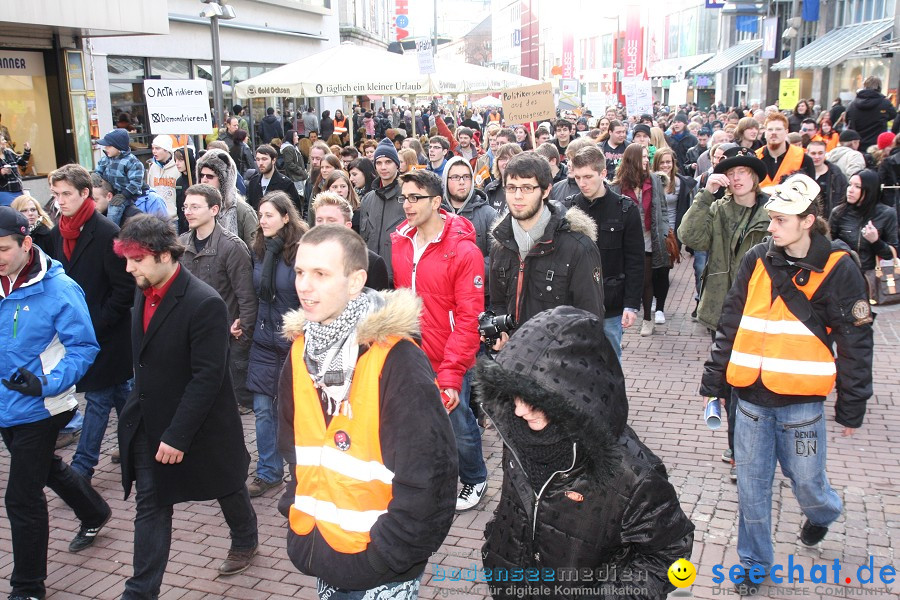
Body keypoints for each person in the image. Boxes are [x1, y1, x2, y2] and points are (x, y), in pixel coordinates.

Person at [700, 174, 873, 596]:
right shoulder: (757, 258)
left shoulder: (839, 267)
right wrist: (714, 382)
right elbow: (731, 321)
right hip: (751, 400)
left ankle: (824, 513)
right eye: (771, 219)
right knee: (752, 489)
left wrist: (852, 405)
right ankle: (755, 565)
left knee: (809, 484)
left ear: (808, 221)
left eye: (779, 220)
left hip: (801, 404)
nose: (771, 227)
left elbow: (856, 341)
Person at [276, 224, 457, 600]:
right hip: (323, 547)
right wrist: (295, 508)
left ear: (356, 281)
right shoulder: (300, 351)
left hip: (380, 565)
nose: (304, 286)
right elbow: (294, 451)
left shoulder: (397, 359)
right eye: (299, 272)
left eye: (321, 274)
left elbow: (431, 477)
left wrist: (387, 551)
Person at [476, 305, 695, 599]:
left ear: (574, 395)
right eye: (516, 393)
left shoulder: (632, 474)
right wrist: (496, 543)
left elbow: (670, 554)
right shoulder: (517, 433)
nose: (519, 409)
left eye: (533, 399)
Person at [114, 214, 259, 597]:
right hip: (150, 418)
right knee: (152, 503)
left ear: (164, 255)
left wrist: (178, 435)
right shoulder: (142, 288)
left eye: (137, 259)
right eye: (126, 260)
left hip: (201, 423)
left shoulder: (204, 303)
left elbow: (208, 377)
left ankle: (245, 537)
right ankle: (140, 591)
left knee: (227, 484)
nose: (130, 269)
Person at [0, 206, 113, 600]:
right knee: (44, 468)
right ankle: (95, 512)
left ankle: (28, 587)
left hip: (45, 406)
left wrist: (46, 383)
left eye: (2, 249)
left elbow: (84, 348)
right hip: (6, 405)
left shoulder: (60, 289)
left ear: (26, 243)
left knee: (21, 495)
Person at [392, 169, 488, 511]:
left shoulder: (464, 251)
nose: (407, 204)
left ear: (436, 202)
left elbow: (468, 318)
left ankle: (475, 479)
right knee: (421, 424)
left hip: (451, 356)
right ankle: (435, 478)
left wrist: (451, 372)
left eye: (415, 197)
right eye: (404, 197)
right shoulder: (400, 241)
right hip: (414, 354)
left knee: (459, 424)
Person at [678, 147, 771, 482]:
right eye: (730, 172)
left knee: (762, 386)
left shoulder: (773, 211)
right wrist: (704, 194)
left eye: (743, 172)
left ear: (755, 177)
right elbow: (689, 237)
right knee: (731, 385)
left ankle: (762, 448)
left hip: (764, 312)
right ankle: (737, 450)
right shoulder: (718, 208)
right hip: (724, 310)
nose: (736, 177)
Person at [46, 164, 136, 482]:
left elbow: (124, 290)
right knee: (123, 396)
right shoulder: (57, 232)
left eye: (66, 194)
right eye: (56, 195)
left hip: (107, 334)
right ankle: (142, 443)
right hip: (77, 332)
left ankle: (82, 467)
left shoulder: (108, 233)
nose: (60, 201)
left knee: (98, 397)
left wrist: (96, 322)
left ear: (85, 193)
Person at [488, 152, 604, 350]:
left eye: (527, 188)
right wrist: (500, 332)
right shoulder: (501, 244)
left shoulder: (578, 247)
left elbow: (590, 321)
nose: (517, 196)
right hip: (511, 363)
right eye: (511, 188)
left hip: (557, 369)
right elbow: (498, 303)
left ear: (546, 190)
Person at [245, 191, 307, 497]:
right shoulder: (257, 248)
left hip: (292, 341)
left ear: (286, 216)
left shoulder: (301, 251)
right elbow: (250, 293)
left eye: (269, 214)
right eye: (260, 214)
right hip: (262, 340)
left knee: (291, 411)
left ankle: (299, 475)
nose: (263, 220)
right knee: (261, 409)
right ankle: (268, 471)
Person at [178, 184, 258, 416]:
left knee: (235, 405)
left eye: (195, 206)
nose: (188, 212)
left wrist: (243, 333)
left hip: (227, 337)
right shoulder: (181, 244)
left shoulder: (232, 246)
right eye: (186, 207)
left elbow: (247, 296)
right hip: (194, 335)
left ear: (214, 209)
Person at [568, 146, 643, 360]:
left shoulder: (625, 210)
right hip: (576, 301)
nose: (583, 183)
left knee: (610, 361)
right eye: (578, 177)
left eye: (588, 177)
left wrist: (631, 304)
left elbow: (635, 261)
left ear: (603, 174)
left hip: (611, 303)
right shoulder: (569, 208)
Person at [609, 144, 670, 337]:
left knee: (646, 278)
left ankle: (647, 319)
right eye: (643, 157)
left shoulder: (654, 180)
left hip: (649, 236)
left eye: (647, 157)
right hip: (625, 238)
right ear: (632, 159)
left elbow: (663, 208)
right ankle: (623, 315)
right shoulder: (617, 185)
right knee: (624, 277)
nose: (646, 160)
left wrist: (665, 231)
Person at [652, 147, 697, 322]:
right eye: (662, 162)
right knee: (650, 270)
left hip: (671, 233)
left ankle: (660, 306)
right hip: (652, 231)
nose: (665, 165)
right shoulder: (651, 181)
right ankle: (652, 298)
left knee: (664, 270)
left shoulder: (680, 183)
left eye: (668, 162)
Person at [312, 192, 390, 290]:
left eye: (331, 220)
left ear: (347, 226)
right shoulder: (308, 258)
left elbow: (380, 303)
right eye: (319, 220)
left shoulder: (371, 263)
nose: (324, 225)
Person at [829, 169, 899, 275]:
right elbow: (829, 245)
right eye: (850, 184)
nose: (850, 190)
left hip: (874, 276)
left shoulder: (887, 214)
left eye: (857, 186)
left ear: (870, 190)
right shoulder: (839, 213)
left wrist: (876, 241)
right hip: (844, 275)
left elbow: (892, 254)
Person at [440, 156, 497, 276]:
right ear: (446, 180)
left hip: (478, 287)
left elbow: (496, 256)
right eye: (455, 177)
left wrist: (470, 271)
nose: (462, 182)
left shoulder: (488, 214)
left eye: (466, 177)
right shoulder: (436, 213)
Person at [359, 138, 404, 285]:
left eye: (388, 162)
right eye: (379, 163)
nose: (383, 167)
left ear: (397, 165)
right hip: (371, 275)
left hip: (398, 276)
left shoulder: (408, 197)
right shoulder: (368, 199)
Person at [195, 148, 259, 247]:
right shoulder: (196, 208)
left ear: (224, 179)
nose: (204, 180)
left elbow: (255, 250)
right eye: (201, 175)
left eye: (210, 176)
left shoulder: (243, 211)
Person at [95, 129, 145, 226]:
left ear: (119, 147)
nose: (105, 148)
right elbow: (99, 171)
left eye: (108, 146)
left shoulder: (132, 162)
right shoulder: (105, 159)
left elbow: (136, 183)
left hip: (124, 195)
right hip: (108, 192)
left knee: (114, 211)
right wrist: (95, 176)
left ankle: (111, 231)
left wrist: (124, 195)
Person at [246, 144, 302, 212]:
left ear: (273, 160)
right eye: (258, 159)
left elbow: (296, 211)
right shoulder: (253, 182)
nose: (260, 163)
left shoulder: (286, 184)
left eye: (264, 159)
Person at [846, 76, 897, 149]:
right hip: (877, 146)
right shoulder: (885, 103)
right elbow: (893, 115)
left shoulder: (852, 104)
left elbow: (847, 120)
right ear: (879, 88)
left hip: (857, 146)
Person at [549, 137, 601, 205]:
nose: (569, 164)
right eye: (568, 159)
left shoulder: (603, 189)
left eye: (574, 160)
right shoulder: (556, 188)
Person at [807, 139, 848, 217]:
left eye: (820, 153)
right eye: (813, 153)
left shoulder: (836, 175)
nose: (817, 157)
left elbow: (842, 199)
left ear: (825, 153)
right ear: (807, 153)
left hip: (828, 218)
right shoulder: (802, 173)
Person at [483, 142, 523, 213]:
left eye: (512, 158)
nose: (507, 162)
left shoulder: (527, 189)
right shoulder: (490, 189)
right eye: (503, 159)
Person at [146, 135, 179, 219]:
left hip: (173, 218)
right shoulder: (153, 167)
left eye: (157, 148)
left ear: (166, 149)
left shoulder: (178, 167)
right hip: (155, 217)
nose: (154, 151)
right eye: (153, 148)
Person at [173, 146, 196, 234]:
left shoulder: (198, 179)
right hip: (182, 223)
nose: (177, 163)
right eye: (175, 160)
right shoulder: (179, 181)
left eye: (180, 160)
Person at [0, 138, 30, 206]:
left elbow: (23, 162)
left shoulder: (9, 152)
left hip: (18, 189)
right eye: (2, 140)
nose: (5, 141)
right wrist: (1, 172)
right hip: (4, 191)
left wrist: (27, 150)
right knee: (9, 213)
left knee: (21, 211)